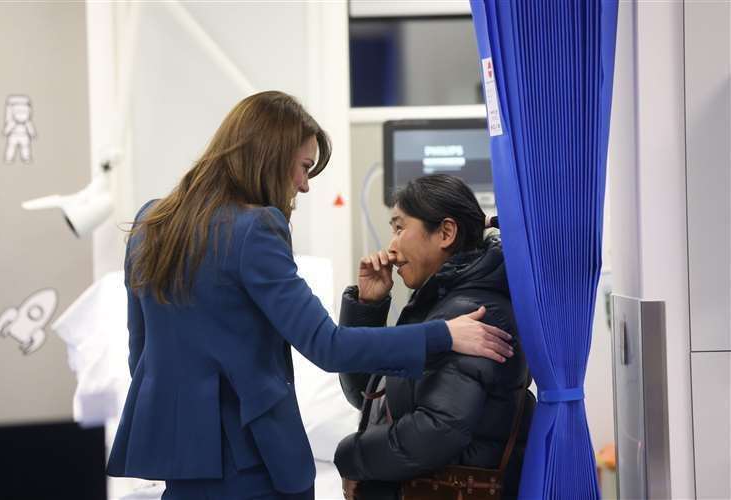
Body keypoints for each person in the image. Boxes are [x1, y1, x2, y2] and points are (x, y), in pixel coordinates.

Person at [105, 91, 514, 500]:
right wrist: (442, 335)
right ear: (269, 156)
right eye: (303, 168)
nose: (303, 184)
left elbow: (140, 351)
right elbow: (327, 346)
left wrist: (368, 308)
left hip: (184, 463)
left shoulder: (149, 223)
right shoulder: (255, 229)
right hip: (256, 461)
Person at [335, 174, 535, 500]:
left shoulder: (473, 312)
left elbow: (437, 431)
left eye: (400, 228)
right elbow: (368, 395)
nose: (391, 245)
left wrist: (351, 456)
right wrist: (367, 307)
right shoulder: (440, 305)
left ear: (445, 233)